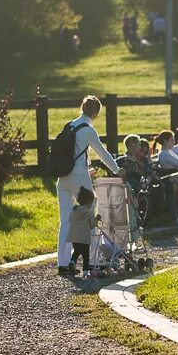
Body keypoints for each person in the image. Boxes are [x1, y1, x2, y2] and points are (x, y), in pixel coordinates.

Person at [55, 95, 120, 274]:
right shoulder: (89, 130)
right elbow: (102, 153)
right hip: (80, 179)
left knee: (65, 221)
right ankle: (91, 261)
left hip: (63, 179)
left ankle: (63, 263)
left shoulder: (69, 125)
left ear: (82, 108)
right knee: (89, 217)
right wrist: (117, 170)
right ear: (96, 112)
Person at [67, 186, 98, 277]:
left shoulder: (74, 210)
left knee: (76, 251)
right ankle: (85, 272)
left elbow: (70, 220)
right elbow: (92, 225)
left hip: (74, 236)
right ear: (89, 201)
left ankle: (72, 261)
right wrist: (97, 219)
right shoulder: (89, 212)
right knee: (85, 255)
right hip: (84, 237)